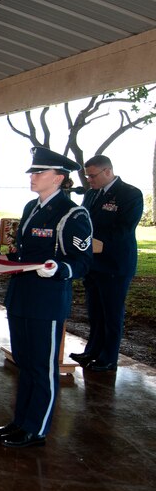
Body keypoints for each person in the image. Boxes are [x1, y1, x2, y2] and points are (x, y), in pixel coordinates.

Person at [0, 148, 92, 448]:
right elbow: (25, 250)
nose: (33, 177)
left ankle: (37, 428)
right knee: (25, 363)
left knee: (42, 368)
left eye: (39, 173)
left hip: (46, 300)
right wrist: (9, 258)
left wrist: (59, 268)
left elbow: (82, 262)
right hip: (21, 296)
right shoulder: (31, 207)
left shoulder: (73, 214)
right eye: (32, 172)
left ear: (59, 178)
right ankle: (20, 421)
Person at [69, 155, 144, 371]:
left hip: (114, 263)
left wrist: (98, 243)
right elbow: (84, 221)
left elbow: (124, 228)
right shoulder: (92, 194)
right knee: (95, 311)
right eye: (87, 176)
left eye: (92, 176)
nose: (89, 180)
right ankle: (92, 350)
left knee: (112, 314)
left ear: (107, 172)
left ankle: (109, 358)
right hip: (93, 262)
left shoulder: (130, 194)